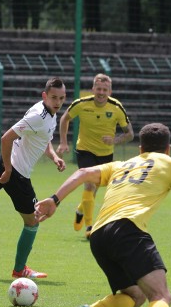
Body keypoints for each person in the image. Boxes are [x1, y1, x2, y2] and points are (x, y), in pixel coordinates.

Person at [35, 123, 171, 307]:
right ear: (167, 149)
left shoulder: (122, 164)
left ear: (140, 148)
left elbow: (82, 174)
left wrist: (55, 199)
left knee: (135, 296)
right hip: (128, 229)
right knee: (160, 295)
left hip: (100, 235)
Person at [0, 77, 67, 278]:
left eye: (61, 98)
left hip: (6, 164)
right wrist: (8, 171)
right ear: (45, 96)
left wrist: (54, 157)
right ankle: (19, 270)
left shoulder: (49, 114)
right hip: (16, 173)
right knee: (33, 222)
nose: (58, 102)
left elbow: (43, 140)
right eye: (54, 98)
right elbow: (6, 138)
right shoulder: (38, 116)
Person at [57, 73, 133, 239]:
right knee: (90, 186)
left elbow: (129, 134)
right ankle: (90, 227)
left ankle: (80, 210)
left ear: (110, 91)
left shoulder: (116, 107)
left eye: (105, 89)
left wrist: (114, 140)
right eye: (98, 88)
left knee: (93, 191)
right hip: (85, 150)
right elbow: (64, 118)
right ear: (93, 89)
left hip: (106, 154)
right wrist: (63, 142)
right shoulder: (82, 104)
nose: (101, 92)